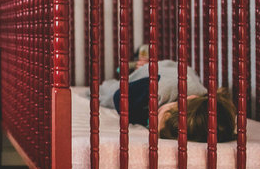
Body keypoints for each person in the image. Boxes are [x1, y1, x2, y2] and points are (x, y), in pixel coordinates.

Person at [99, 58, 237, 143]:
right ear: (188, 99)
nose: (155, 115)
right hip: (161, 72)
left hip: (176, 71)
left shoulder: (201, 107)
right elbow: (119, 97)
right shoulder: (159, 89)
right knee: (108, 92)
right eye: (161, 112)